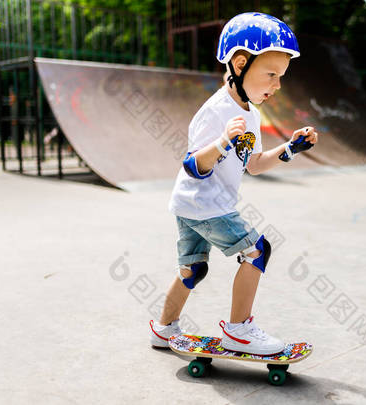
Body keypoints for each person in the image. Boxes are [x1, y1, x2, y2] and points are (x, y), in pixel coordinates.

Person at [149, 12, 319, 355]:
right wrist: (223, 142)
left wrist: (290, 148)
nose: (277, 85)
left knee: (193, 269)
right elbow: (193, 165)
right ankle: (239, 330)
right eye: (271, 74)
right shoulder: (215, 112)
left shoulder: (251, 114)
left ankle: (164, 329)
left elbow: (253, 164)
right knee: (258, 249)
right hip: (205, 203)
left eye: (281, 77)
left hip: (190, 205)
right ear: (240, 64)